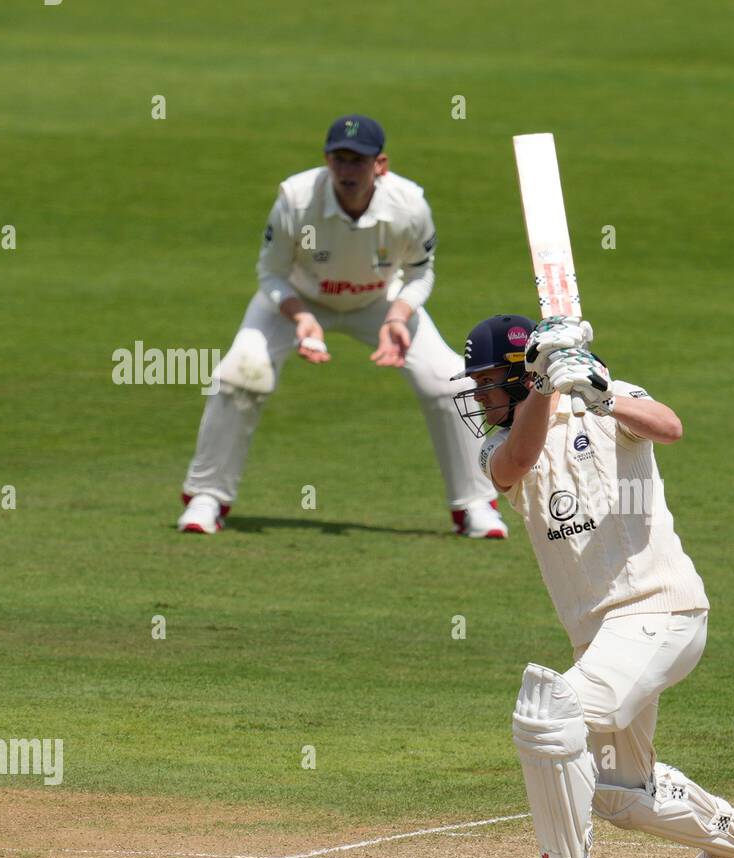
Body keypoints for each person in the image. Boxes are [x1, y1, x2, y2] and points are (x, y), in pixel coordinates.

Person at [453, 314, 734, 858]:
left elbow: (670, 427)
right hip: (601, 636)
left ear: (519, 376)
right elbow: (515, 465)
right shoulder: (499, 443)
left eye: (489, 381)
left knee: (549, 713)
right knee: (616, 790)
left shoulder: (605, 395)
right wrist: (547, 388)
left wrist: (601, 394)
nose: (478, 395)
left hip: (661, 610)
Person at [177, 114, 506, 539]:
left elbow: (421, 273)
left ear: (380, 165)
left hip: (378, 300)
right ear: (327, 160)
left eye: (358, 161)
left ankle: (475, 505)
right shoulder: (295, 200)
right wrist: (301, 316)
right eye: (339, 159)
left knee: (450, 383)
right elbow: (270, 273)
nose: (347, 171)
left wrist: (396, 318)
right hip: (299, 298)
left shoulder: (409, 206)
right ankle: (207, 497)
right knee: (239, 376)